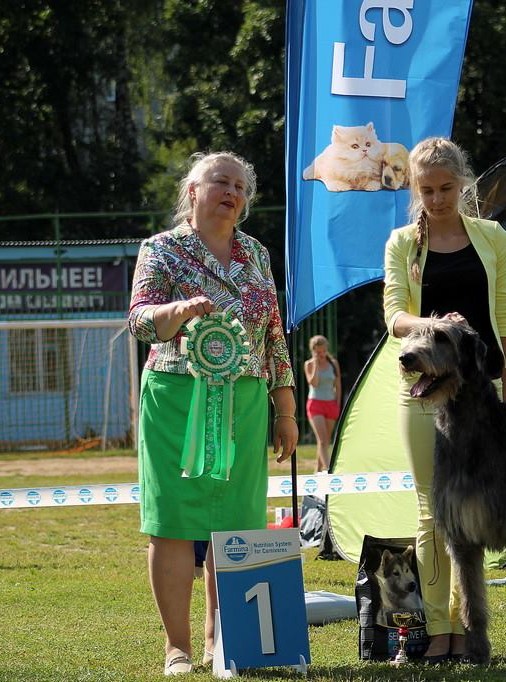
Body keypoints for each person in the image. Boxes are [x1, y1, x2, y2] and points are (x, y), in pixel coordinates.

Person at [128, 151, 298, 676]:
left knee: (236, 524)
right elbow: (137, 321)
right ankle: (176, 647)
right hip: (177, 400)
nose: (231, 191)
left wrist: (286, 407)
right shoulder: (160, 250)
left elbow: (272, 333)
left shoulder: (257, 255)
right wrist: (171, 313)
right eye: (219, 181)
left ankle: (221, 640)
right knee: (174, 525)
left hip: (245, 405)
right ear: (192, 193)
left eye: (240, 186)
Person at [382, 137, 506, 663]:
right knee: (432, 512)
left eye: (446, 189)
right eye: (427, 190)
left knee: (475, 515)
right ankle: (438, 628)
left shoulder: (494, 238)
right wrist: (435, 324)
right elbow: (394, 317)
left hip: (482, 400)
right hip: (423, 396)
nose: (436, 199)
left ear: (463, 184)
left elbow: (502, 320)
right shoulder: (401, 243)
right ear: (415, 190)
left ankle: (468, 626)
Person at [303, 334, 341, 472]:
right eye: (318, 352)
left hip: (331, 404)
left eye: (324, 351)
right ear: (313, 351)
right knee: (323, 440)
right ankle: (330, 471)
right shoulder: (309, 364)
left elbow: (338, 385)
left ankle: (317, 470)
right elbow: (314, 382)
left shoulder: (333, 363)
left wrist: (337, 404)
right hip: (315, 404)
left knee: (324, 442)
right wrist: (316, 365)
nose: (322, 354)